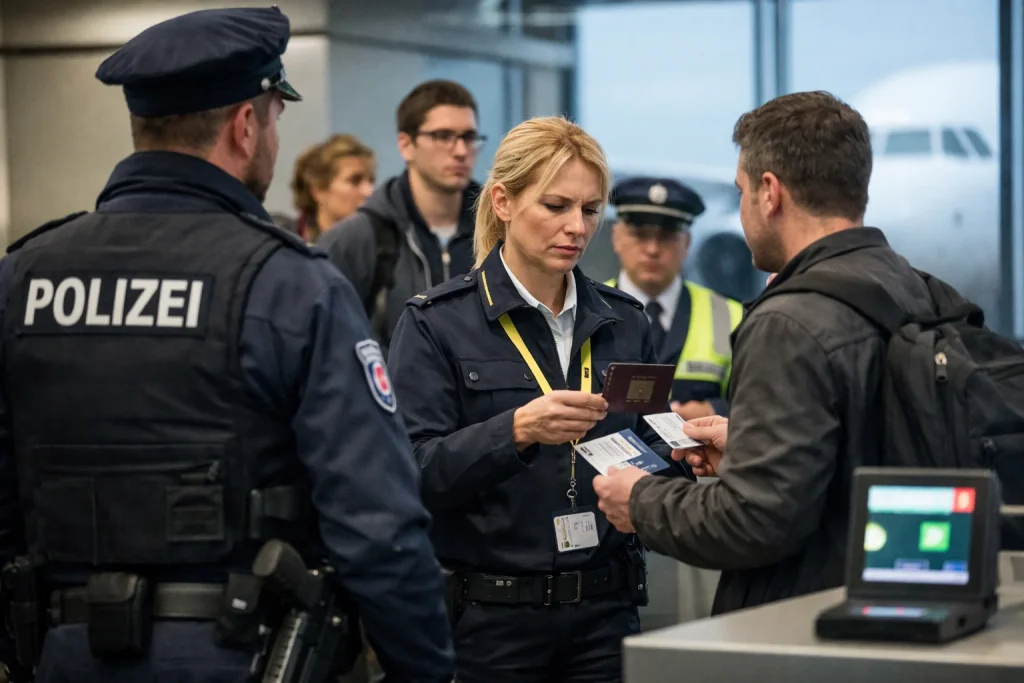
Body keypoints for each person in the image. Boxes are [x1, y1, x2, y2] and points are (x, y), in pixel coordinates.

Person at [0, 7, 453, 683]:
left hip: (63, 651)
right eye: (273, 118)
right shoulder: (290, 285)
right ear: (247, 125)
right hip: (240, 650)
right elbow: (377, 522)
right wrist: (426, 669)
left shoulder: (22, 276)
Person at [593, 90, 941, 615]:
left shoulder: (787, 320)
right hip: (892, 589)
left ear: (770, 192)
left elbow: (753, 520)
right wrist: (753, 444)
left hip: (804, 614)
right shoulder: (915, 289)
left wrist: (639, 501)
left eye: (741, 191)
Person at [386, 116, 694, 683]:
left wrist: (682, 451)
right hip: (490, 622)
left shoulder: (626, 321)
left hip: (606, 611)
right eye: (555, 206)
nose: (576, 227)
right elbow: (409, 472)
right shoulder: (437, 324)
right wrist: (517, 430)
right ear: (502, 201)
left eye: (590, 210)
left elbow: (650, 443)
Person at [318, 79, 483, 357]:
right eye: (443, 136)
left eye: (468, 137)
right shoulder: (355, 240)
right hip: (392, 397)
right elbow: (327, 346)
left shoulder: (502, 233)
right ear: (406, 145)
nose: (460, 151)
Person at [605, 177, 743, 420]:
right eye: (640, 234)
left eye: (666, 236)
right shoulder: (586, 308)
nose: (652, 249)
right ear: (616, 238)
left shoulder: (729, 316)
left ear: (687, 243)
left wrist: (717, 411)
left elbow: (759, 401)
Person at [291, 133, 376, 243]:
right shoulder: (287, 248)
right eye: (354, 181)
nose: (369, 192)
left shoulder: (382, 246)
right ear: (318, 190)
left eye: (371, 180)